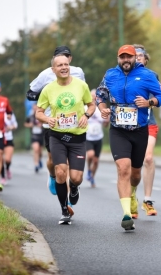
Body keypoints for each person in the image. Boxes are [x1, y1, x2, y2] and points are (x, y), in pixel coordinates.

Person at [96, 45, 161, 231]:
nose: (126, 60)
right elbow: (100, 94)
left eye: (129, 57)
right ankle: (127, 214)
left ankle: (134, 191)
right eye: (122, 57)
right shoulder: (111, 74)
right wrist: (102, 107)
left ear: (135, 58)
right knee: (123, 169)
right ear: (118, 58)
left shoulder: (147, 75)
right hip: (118, 130)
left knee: (135, 174)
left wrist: (149, 102)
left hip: (139, 130)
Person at [36, 54, 95, 225]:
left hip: (77, 137)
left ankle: (74, 188)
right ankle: (64, 210)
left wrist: (87, 114)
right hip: (57, 136)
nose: (63, 67)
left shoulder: (81, 85)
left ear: (69, 65)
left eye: (65, 64)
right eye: (59, 65)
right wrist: (47, 120)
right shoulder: (48, 89)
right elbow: (38, 112)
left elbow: (91, 104)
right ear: (53, 69)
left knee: (76, 177)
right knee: (61, 172)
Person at [26, 46, 85, 196]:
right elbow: (30, 93)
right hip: (51, 122)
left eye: (66, 57)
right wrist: (48, 95)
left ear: (70, 59)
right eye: (59, 57)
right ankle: (53, 177)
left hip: (74, 123)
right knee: (54, 160)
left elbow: (83, 93)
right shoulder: (46, 74)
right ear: (54, 62)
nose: (64, 61)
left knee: (71, 165)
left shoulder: (78, 72)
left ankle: (72, 186)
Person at [131, 44, 159, 219]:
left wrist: (149, 102)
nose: (138, 57)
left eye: (141, 55)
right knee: (134, 165)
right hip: (128, 126)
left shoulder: (151, 76)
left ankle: (147, 200)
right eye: (135, 55)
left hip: (148, 123)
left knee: (148, 158)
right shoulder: (122, 75)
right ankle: (132, 194)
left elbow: (160, 96)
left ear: (145, 59)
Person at [85, 89, 109, 188]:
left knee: (96, 160)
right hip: (88, 137)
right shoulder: (85, 107)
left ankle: (92, 176)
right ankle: (88, 170)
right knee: (90, 155)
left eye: (95, 96)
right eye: (92, 95)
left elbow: (105, 125)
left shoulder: (101, 108)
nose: (94, 97)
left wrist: (107, 121)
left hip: (98, 137)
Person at [24, 104, 44, 173]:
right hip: (34, 136)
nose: (35, 109)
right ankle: (36, 165)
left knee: (40, 152)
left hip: (41, 136)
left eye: (36, 107)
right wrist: (30, 125)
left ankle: (39, 159)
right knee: (36, 149)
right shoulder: (30, 116)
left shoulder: (42, 115)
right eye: (34, 108)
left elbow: (46, 122)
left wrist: (41, 125)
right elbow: (25, 124)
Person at [0, 112, 18, 185]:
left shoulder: (10, 113)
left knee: (7, 159)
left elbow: (15, 125)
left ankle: (7, 169)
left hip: (9, 139)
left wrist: (11, 127)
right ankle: (3, 177)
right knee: (0, 159)